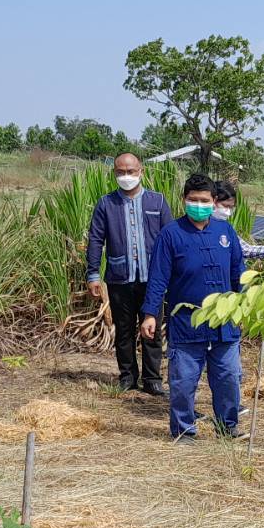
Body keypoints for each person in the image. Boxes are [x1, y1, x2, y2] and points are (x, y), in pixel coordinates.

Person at [141, 174, 245, 440]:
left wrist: (244, 305)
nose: (199, 205)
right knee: (183, 383)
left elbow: (238, 274)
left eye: (205, 200)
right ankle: (184, 430)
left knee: (229, 378)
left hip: (224, 324)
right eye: (193, 200)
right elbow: (158, 278)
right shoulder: (171, 234)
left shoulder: (226, 233)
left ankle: (228, 426)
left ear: (214, 202)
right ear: (184, 200)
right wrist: (150, 314)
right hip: (186, 324)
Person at [86, 153, 171, 395]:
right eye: (121, 172)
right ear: (114, 173)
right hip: (119, 277)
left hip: (152, 280)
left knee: (151, 329)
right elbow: (95, 240)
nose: (126, 176)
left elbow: (170, 238)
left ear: (141, 171)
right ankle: (127, 376)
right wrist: (93, 274)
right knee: (124, 329)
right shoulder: (106, 204)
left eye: (131, 171)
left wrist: (172, 273)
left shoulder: (158, 201)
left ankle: (153, 378)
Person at [211, 178, 264, 259]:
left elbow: (246, 249)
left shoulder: (226, 228)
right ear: (213, 201)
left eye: (231, 207)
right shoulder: (200, 228)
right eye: (225, 206)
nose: (228, 212)